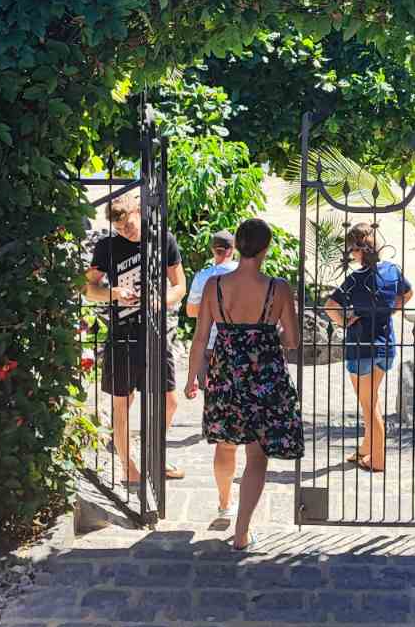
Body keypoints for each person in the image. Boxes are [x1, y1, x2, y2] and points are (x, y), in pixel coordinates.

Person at [185, 218, 303, 551]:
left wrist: (193, 376)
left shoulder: (214, 286)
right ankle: (241, 532)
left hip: (225, 374)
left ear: (236, 245)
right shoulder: (278, 288)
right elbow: (292, 341)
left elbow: (199, 337)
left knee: (225, 444)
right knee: (257, 455)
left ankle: (224, 503)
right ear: (266, 248)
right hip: (264, 376)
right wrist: (266, 335)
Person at [84, 198, 187, 483]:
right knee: (121, 403)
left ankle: (154, 456)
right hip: (122, 334)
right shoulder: (107, 246)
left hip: (154, 332)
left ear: (137, 212)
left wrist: (160, 301)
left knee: (169, 401)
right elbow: (88, 289)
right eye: (119, 228)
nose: (125, 232)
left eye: (128, 225)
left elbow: (180, 286)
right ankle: (129, 470)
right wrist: (114, 293)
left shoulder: (163, 239)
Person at [323, 223, 411, 474]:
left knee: (368, 405)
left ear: (358, 250)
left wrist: (344, 321)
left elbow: (330, 307)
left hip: (361, 347)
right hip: (386, 347)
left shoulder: (355, 279)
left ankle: (378, 459)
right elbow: (408, 293)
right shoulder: (393, 271)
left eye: (352, 250)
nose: (351, 255)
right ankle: (365, 447)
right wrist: (391, 309)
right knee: (371, 399)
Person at [186, 231, 240, 520]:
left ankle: (225, 501)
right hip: (246, 356)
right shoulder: (254, 277)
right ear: (234, 250)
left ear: (214, 250)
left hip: (212, 351)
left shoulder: (205, 277)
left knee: (225, 436)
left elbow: (192, 312)